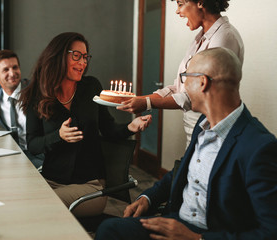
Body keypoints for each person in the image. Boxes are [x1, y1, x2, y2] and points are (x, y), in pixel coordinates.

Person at [95, 47, 277, 240]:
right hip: (176, 220)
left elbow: (270, 231)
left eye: (185, 77)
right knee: (110, 230)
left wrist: (196, 239)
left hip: (210, 234)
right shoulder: (202, 123)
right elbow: (184, 170)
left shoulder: (259, 146)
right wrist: (148, 198)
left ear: (202, 82)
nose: (182, 87)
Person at [19, 32, 152, 217]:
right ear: (58, 56)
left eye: (85, 57)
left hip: (90, 186)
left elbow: (108, 129)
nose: (83, 62)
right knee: (20, 202)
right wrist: (58, 136)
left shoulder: (91, 87)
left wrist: (130, 127)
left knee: (41, 207)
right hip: (50, 180)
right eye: (77, 56)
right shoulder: (36, 94)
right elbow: (33, 145)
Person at [117, 0, 244, 146]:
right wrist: (138, 100)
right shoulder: (199, 39)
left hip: (212, 132)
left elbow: (200, 95)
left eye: (180, 3)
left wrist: (146, 103)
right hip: (194, 131)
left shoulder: (224, 37)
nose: (177, 11)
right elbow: (179, 88)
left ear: (200, 3)